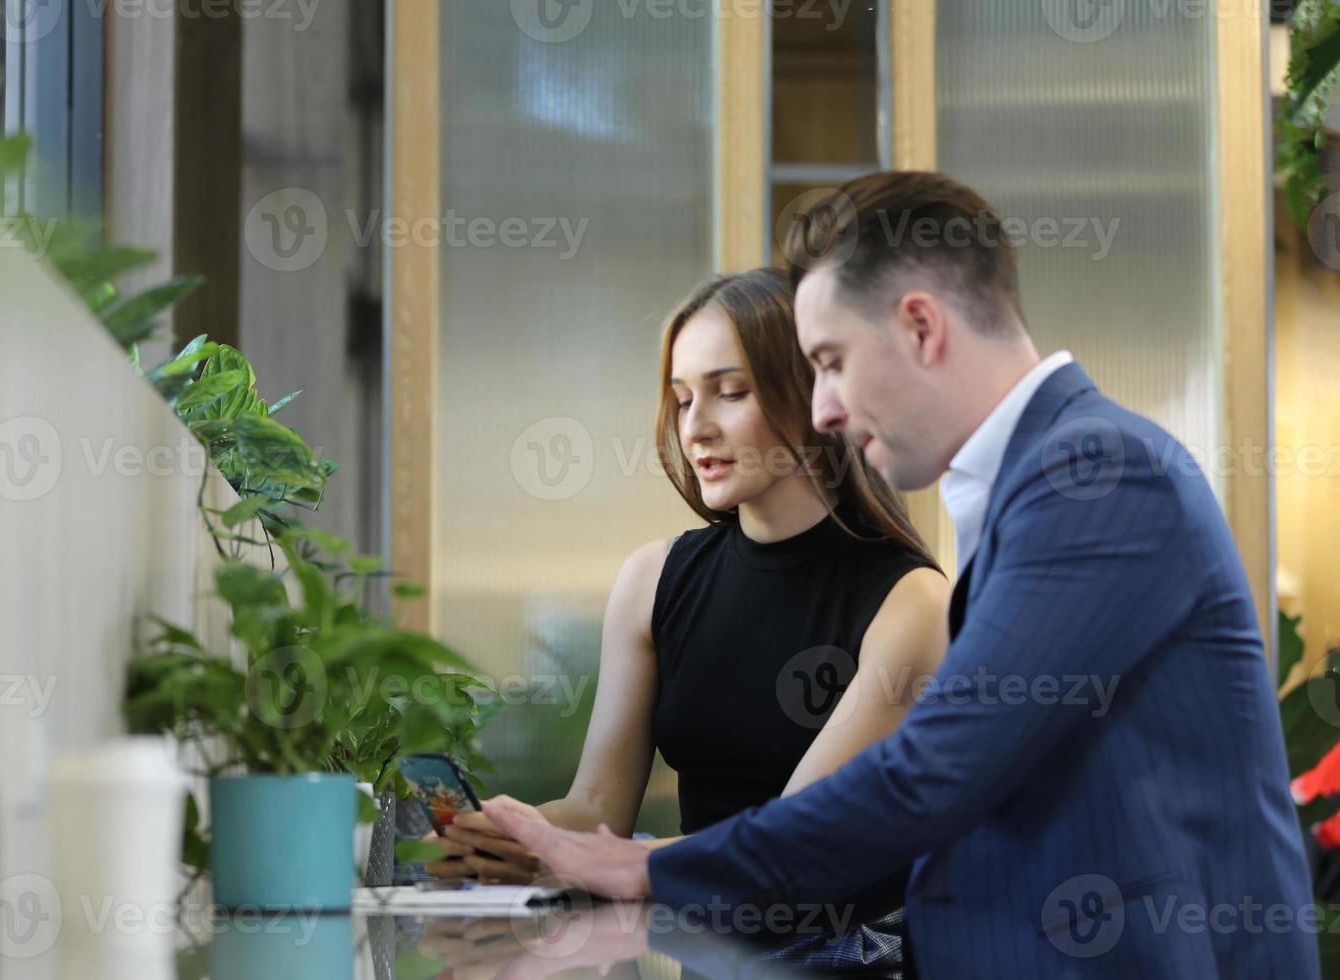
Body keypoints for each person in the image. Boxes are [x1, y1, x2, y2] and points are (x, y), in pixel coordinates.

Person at [488, 171, 1320, 978]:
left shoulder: (1094, 473)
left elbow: (932, 772)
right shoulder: (1043, 478)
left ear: (922, 327)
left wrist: (641, 870)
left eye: (833, 361)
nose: (823, 410)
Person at [426, 267, 949, 956]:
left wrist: (586, 859)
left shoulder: (910, 604)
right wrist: (517, 835)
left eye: (730, 393)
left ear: (813, 395)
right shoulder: (653, 579)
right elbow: (596, 810)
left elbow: (789, 844)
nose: (696, 427)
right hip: (698, 945)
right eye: (680, 400)